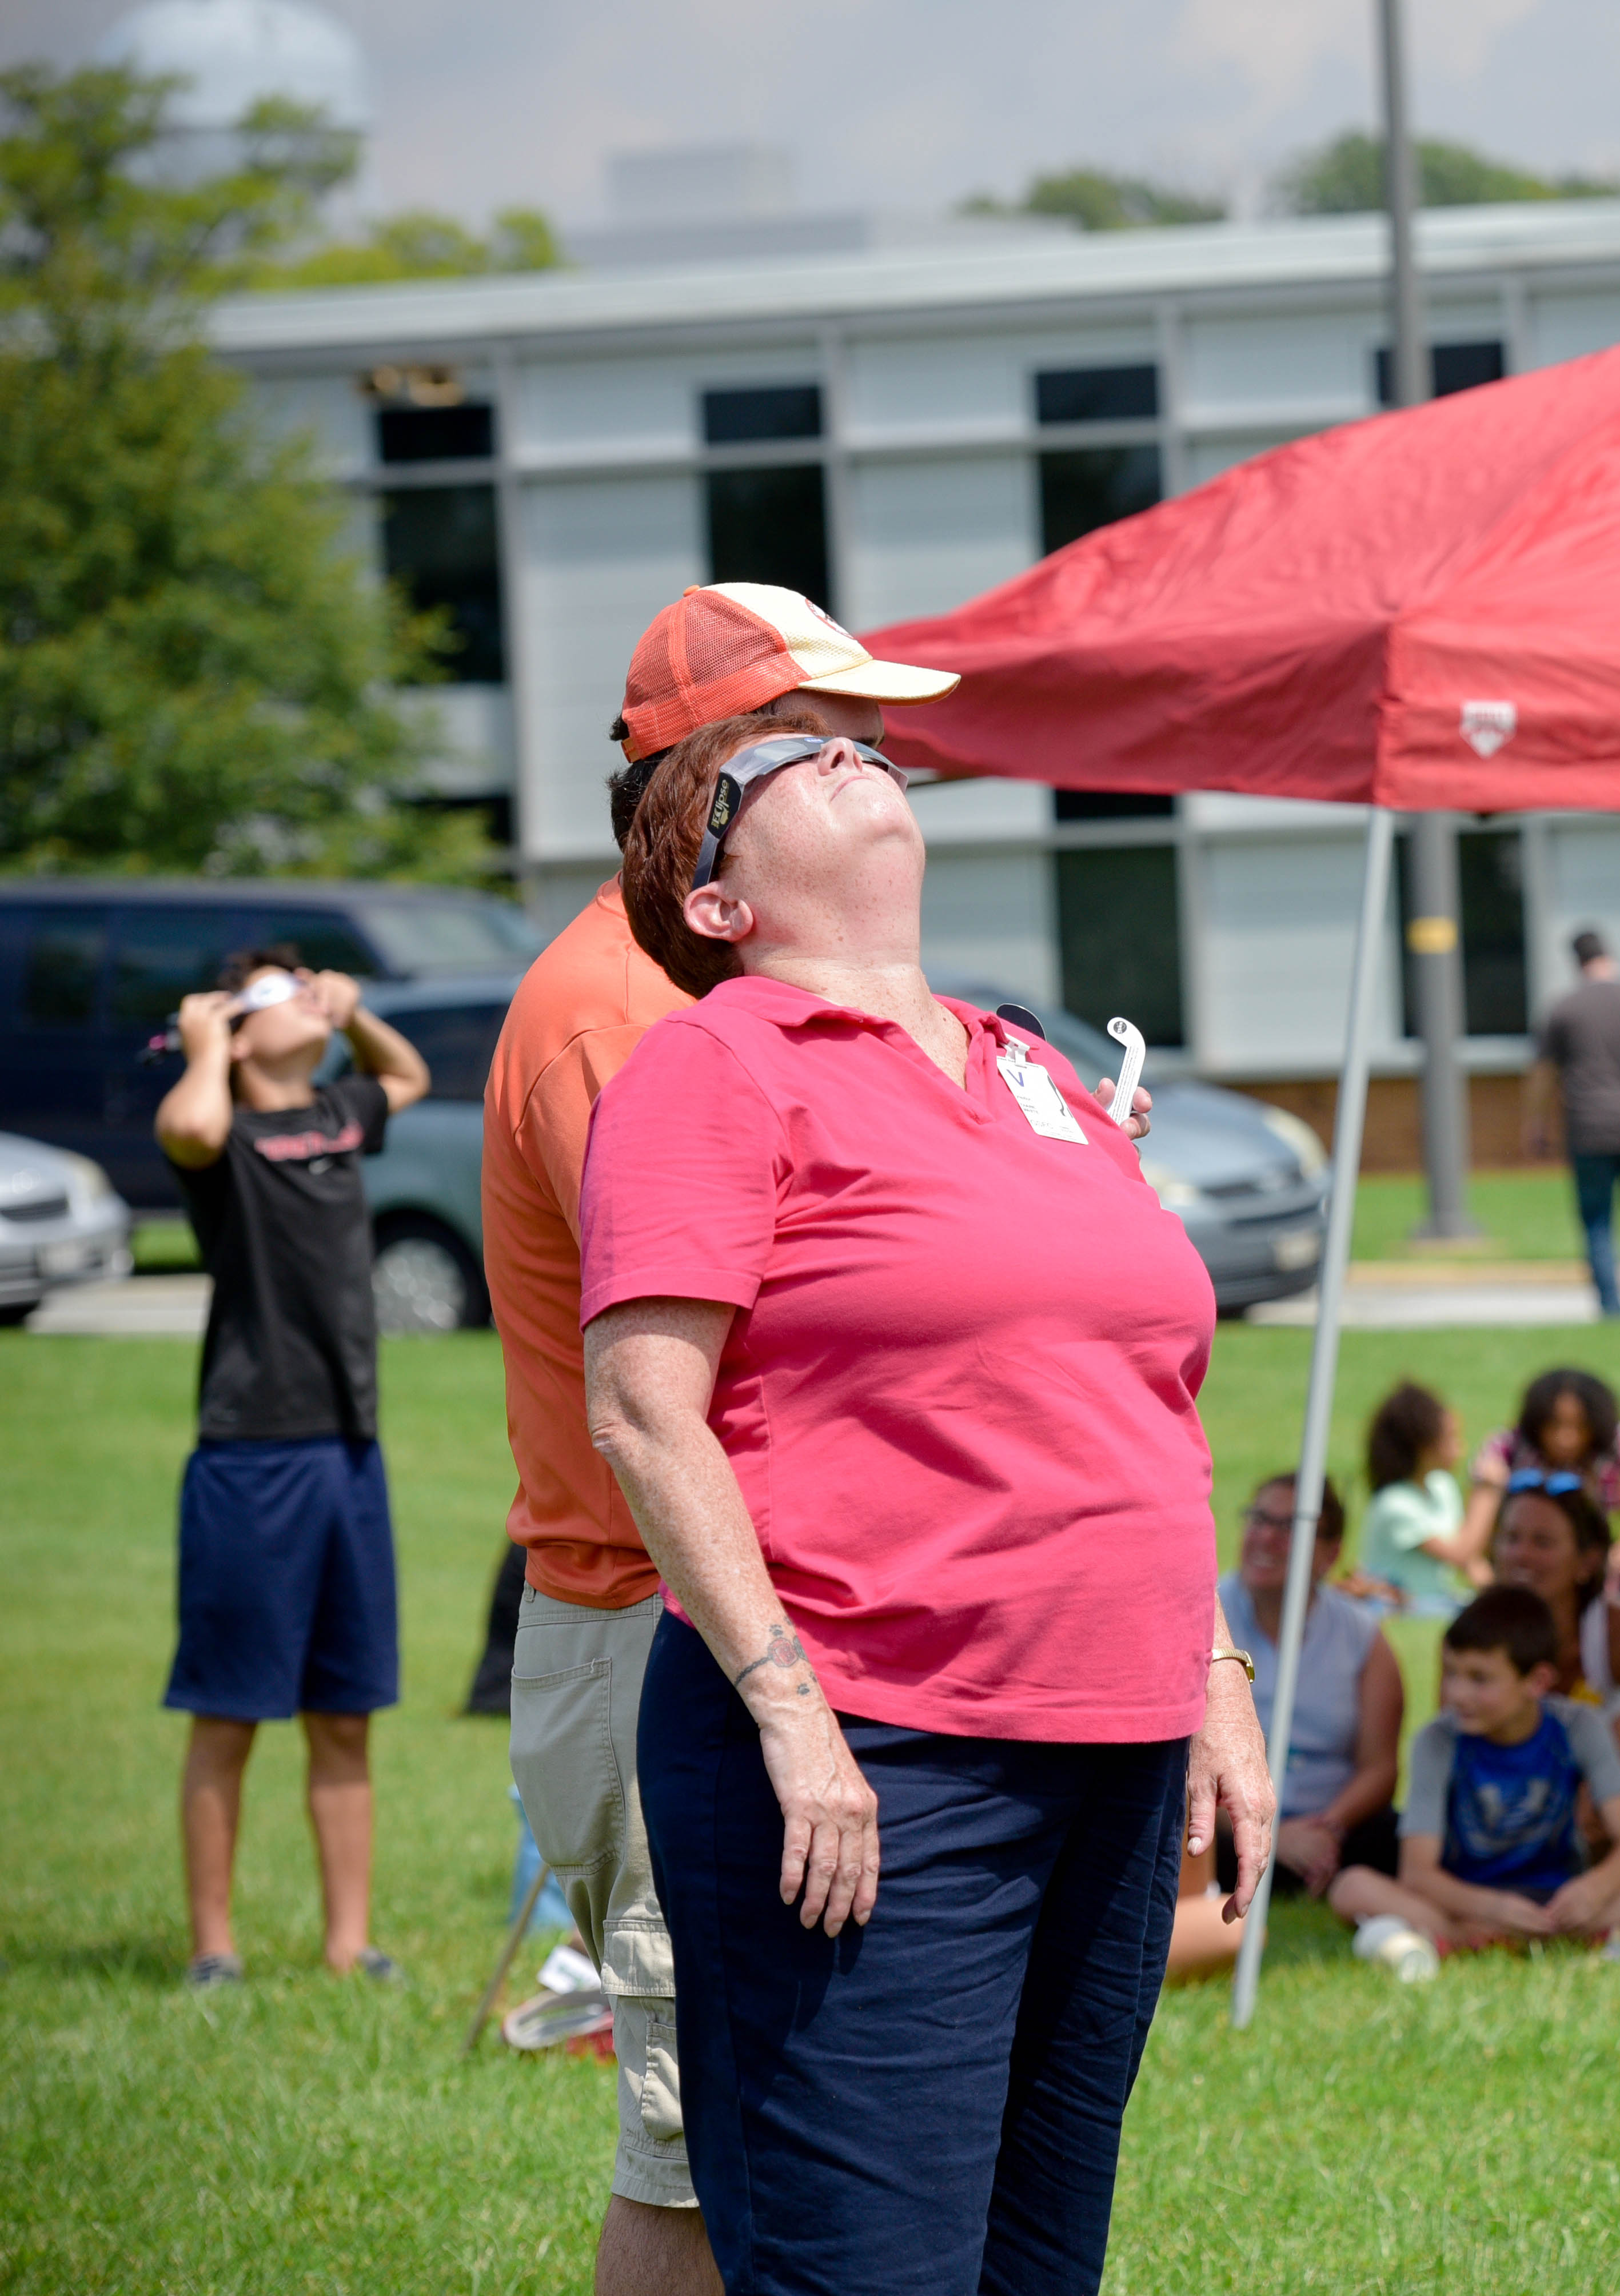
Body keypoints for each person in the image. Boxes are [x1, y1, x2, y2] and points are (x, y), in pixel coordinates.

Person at [580, 704, 1275, 2296]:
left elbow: (1143, 1399)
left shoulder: (1032, 1066)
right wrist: (787, 1712)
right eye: (771, 765)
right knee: (869, 2267)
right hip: (876, 1754)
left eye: (855, 743)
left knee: (1038, 2265)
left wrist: (1215, 1672)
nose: (842, 751)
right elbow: (642, 1410)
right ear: (716, 904)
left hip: (1108, 1750)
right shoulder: (711, 1061)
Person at [493, 580, 951, 2296]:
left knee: (757, 2124)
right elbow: (691, 1396)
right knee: (704, 2152)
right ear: (711, 773)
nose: (877, 763)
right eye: (828, 736)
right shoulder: (636, 1013)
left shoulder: (704, 979)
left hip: (722, 1621)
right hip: (663, 1625)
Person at [155, 947, 431, 1990]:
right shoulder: (219, 1129)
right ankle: (213, 1946)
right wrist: (203, 1049)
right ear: (236, 1026)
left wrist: (355, 1017)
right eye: (284, 990)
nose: (308, 993)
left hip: (348, 1451)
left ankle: (348, 1942)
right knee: (229, 1710)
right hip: (250, 1457)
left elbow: (405, 1079)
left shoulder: (340, 1107)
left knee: (346, 1710)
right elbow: (187, 1125)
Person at [1327, 1586, 1620, 1958]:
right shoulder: (1438, 1741)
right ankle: (1546, 1938)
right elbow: (1418, 1874)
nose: (1458, 1694)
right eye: (1451, 1673)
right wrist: (1492, 1908)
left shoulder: (1579, 1727)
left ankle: (1470, 1940)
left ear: (1538, 1682)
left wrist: (1593, 1891)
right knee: (1351, 1886)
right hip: (1466, 1900)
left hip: (1557, 1902)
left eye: (1480, 1679)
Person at [1167, 1477, 1403, 1980]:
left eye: (1289, 1527)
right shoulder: (1205, 1618)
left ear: (1330, 1552)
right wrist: (1265, 1828)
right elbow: (1187, 1757)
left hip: (1335, 1833)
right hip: (1224, 1828)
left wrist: (1330, 1826)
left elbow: (1381, 1765)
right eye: (1259, 1519)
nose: (1266, 1538)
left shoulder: (1362, 1637)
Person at [1485, 1479, 1620, 1864]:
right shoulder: (1475, 1635)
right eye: (1511, 1538)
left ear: (1587, 1561)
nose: (1520, 1555)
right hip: (1513, 1803)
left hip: (1601, 1809)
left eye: (1543, 1543)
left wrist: (1610, 1787)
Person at [1522, 927, 1620, 1322]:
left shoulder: (1564, 1008)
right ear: (1609, 954)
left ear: (1575, 962)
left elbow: (1542, 1073)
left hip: (1589, 1128)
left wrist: (1535, 1124)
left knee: (1597, 1218)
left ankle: (1611, 1308)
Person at [1459, 1366, 1620, 1586]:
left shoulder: (1619, 1445)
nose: (1566, 1438)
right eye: (1555, 1425)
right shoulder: (1507, 1450)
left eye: (1580, 1426)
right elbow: (1474, 1537)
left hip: (1590, 1559)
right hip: (1525, 1560)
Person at [1357, 1380, 1481, 1619]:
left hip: (1440, 1599)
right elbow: (1459, 1554)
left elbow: (1470, 1562)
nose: (1461, 1449)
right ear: (1423, 1447)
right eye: (1451, 1438)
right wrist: (1486, 1494)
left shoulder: (1443, 1487)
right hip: (1403, 1606)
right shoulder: (1394, 1505)